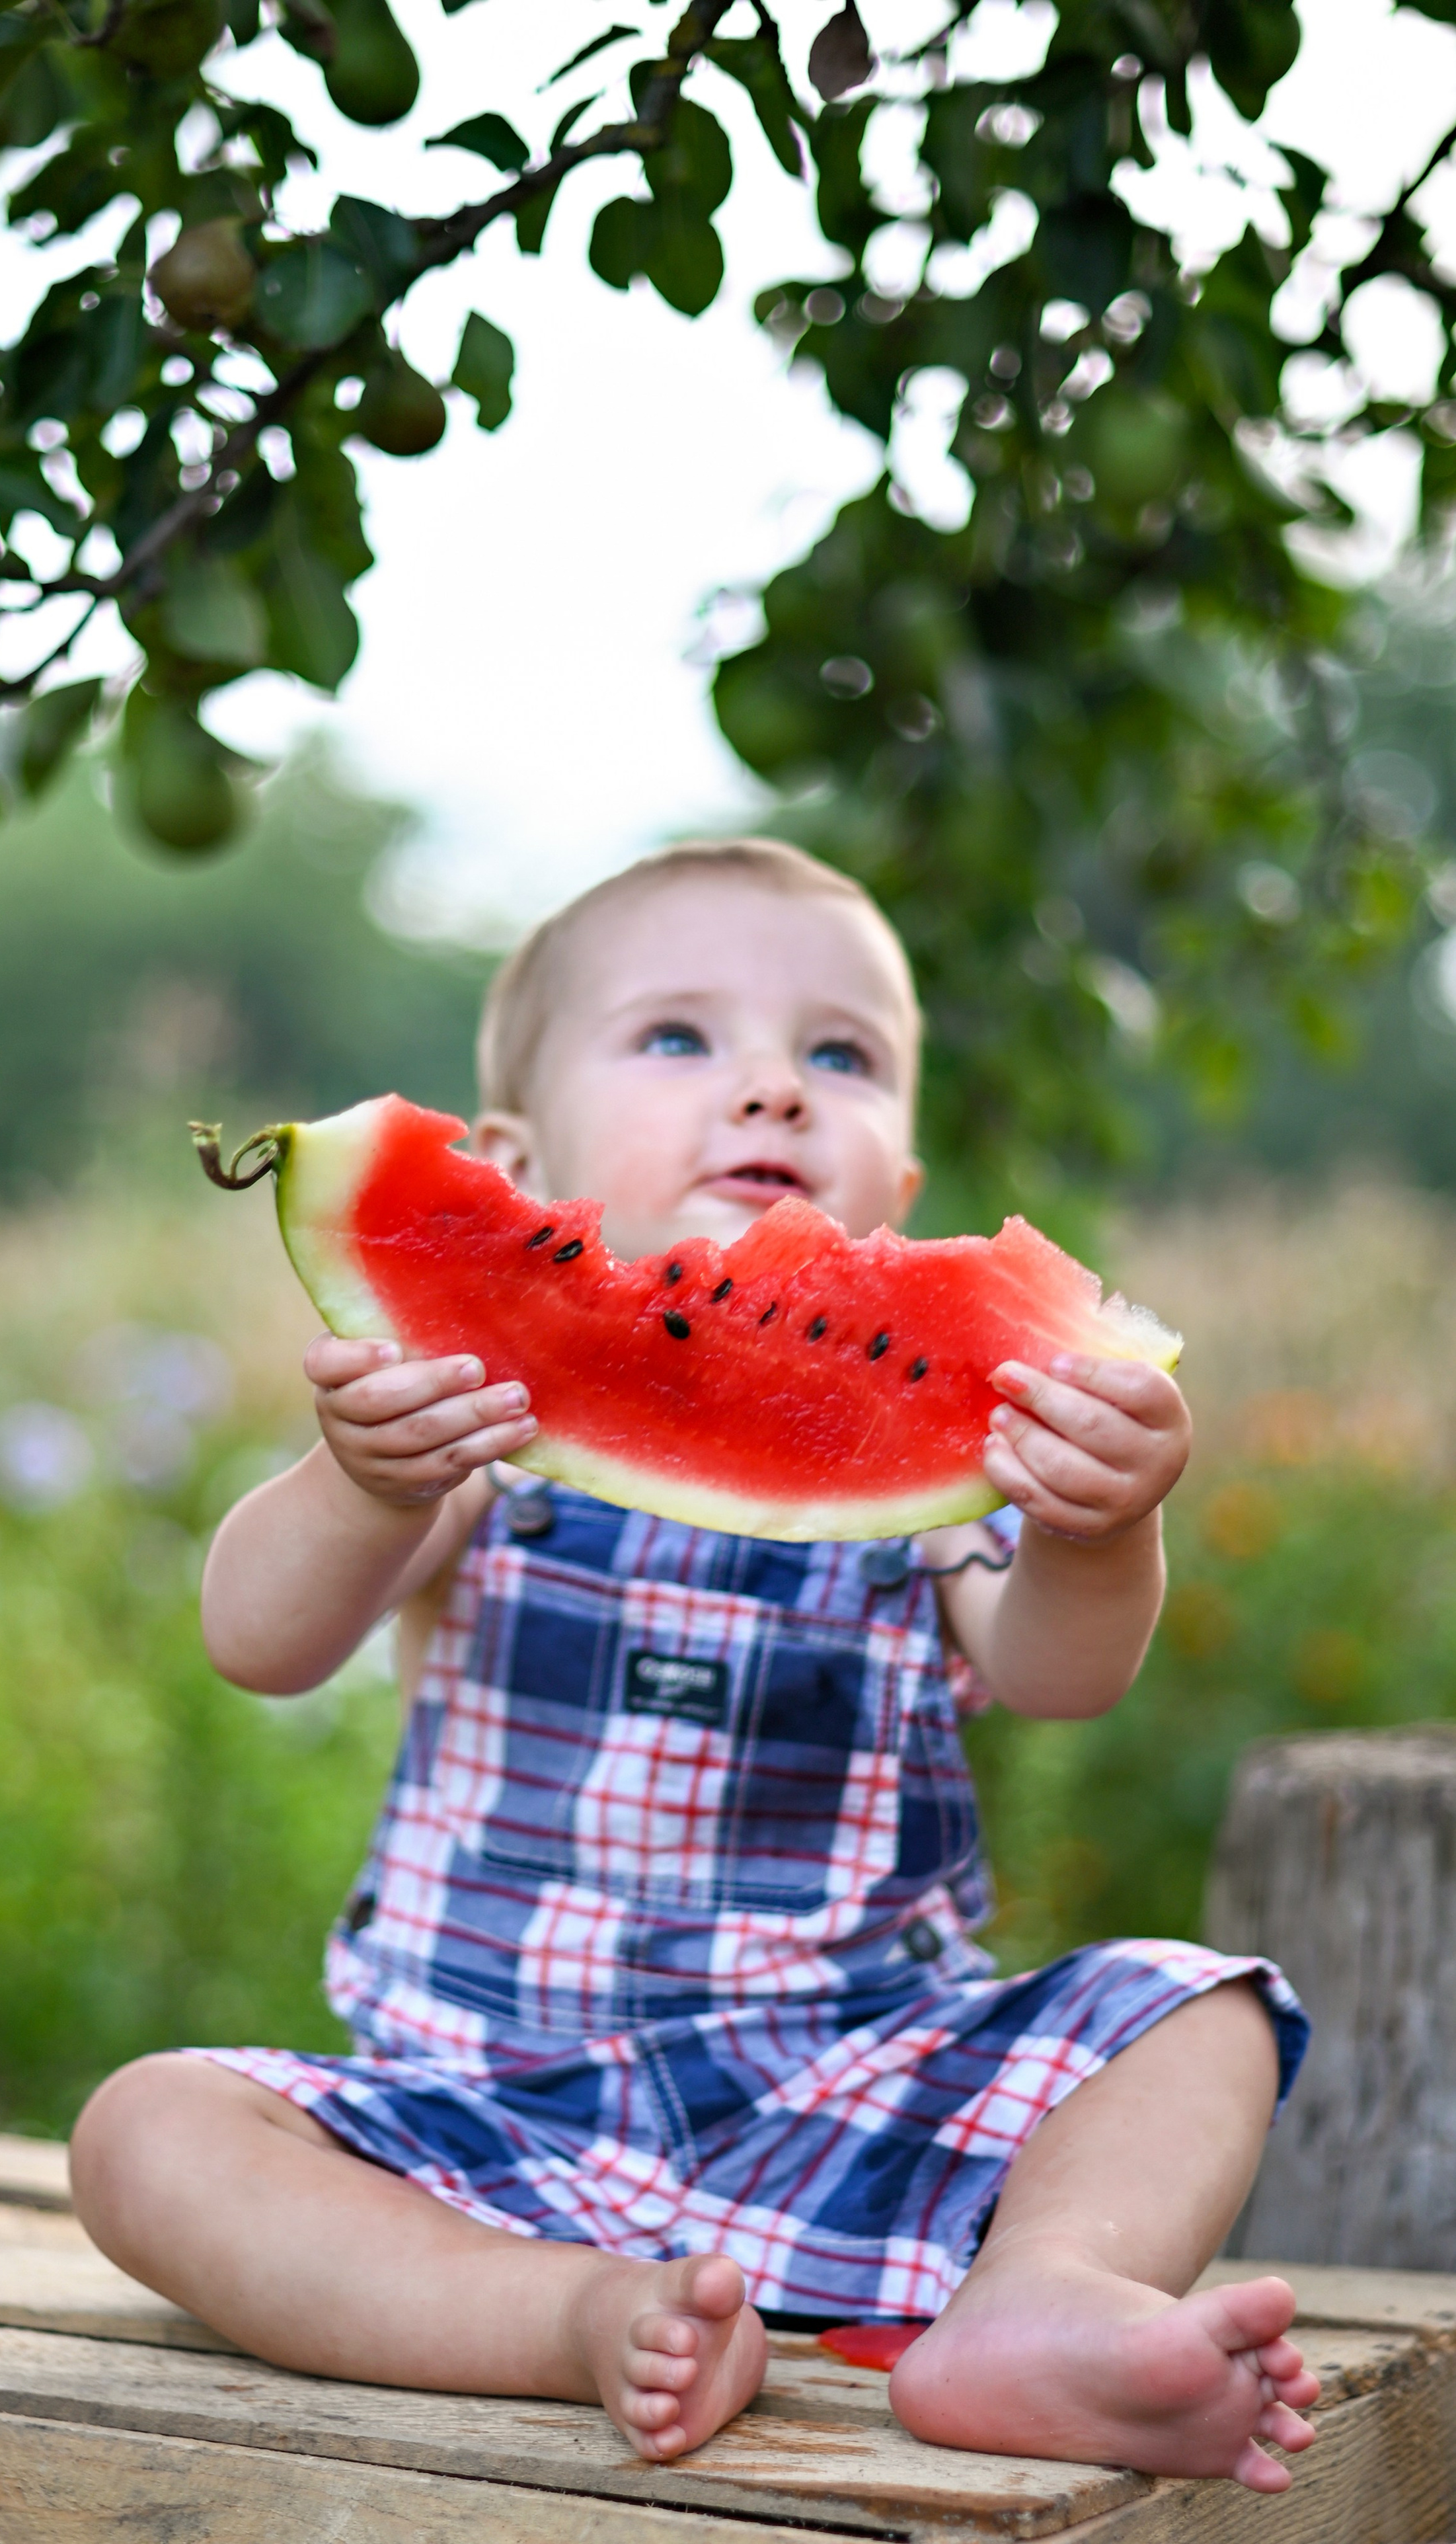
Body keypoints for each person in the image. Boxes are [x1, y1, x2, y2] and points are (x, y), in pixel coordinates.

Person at [71, 838, 1317, 2490]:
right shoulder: (477, 1436)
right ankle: (568, 2314)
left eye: (838, 1054)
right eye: (677, 1038)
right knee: (146, 2133)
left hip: (855, 2078)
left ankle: (1034, 2301)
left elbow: (1057, 1672)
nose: (771, 1092)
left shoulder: (937, 1470)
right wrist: (363, 1481)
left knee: (1196, 2008)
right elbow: (259, 1638)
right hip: (481, 2114)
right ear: (507, 1160)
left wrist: (1098, 1530)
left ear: (903, 1188)